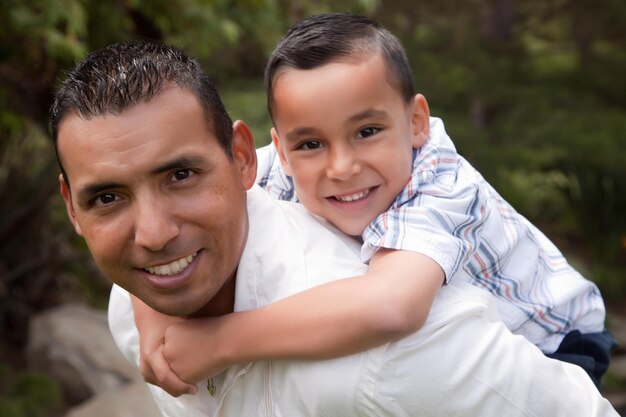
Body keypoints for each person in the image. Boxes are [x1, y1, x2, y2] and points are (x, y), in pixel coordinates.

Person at [51, 41, 618, 416]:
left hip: (559, 336)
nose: (151, 234)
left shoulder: (440, 190)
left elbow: (391, 307)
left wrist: (219, 342)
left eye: (180, 174)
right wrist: (153, 324)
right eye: (107, 197)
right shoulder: (148, 293)